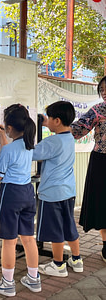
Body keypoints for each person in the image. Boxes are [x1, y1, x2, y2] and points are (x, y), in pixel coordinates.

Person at [0, 104, 41, 296]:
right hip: (28, 192)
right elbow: (11, 149)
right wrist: (3, 137)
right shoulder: (28, 145)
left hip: (11, 194)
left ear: (10, 128)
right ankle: (34, 279)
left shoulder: (8, 151)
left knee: (9, 241)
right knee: (28, 239)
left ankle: (7, 283)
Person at [34, 101, 83, 277]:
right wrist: (46, 123)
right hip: (68, 191)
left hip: (52, 193)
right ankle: (76, 260)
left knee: (55, 231)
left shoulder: (51, 142)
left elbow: (32, 153)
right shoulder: (69, 137)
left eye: (50, 118)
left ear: (57, 120)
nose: (47, 121)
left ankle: (58, 265)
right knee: (69, 226)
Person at [71, 76, 106, 263]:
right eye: (102, 90)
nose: (104, 92)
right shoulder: (97, 110)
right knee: (102, 203)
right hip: (101, 161)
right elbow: (78, 130)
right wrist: (56, 125)